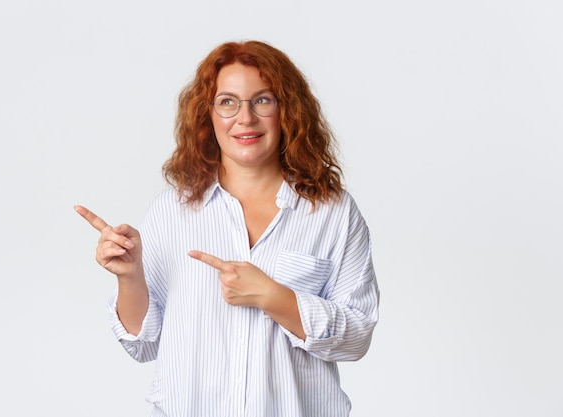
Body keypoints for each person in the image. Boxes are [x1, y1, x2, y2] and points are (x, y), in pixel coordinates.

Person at [75, 40, 380, 417]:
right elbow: (143, 345)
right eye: (228, 102)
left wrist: (274, 296)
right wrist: (129, 276)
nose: (246, 118)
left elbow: (356, 339)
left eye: (263, 100)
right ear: (209, 115)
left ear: (288, 112)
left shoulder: (333, 213)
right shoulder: (172, 212)